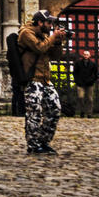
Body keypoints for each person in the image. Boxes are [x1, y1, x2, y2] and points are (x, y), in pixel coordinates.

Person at [12, 11, 68, 154]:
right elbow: (39, 48)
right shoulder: (26, 33)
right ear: (40, 22)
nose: (51, 25)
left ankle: (43, 142)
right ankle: (33, 145)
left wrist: (58, 42)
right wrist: (52, 37)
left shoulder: (44, 36)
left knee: (55, 109)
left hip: (45, 79)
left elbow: (56, 56)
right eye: (49, 22)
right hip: (32, 80)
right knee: (34, 113)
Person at [73, 50, 99, 118]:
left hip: (89, 84)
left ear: (89, 55)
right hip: (80, 83)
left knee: (90, 99)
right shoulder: (78, 63)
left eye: (87, 54)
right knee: (80, 97)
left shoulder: (93, 64)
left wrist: (92, 80)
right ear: (83, 55)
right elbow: (75, 73)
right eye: (84, 54)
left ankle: (89, 113)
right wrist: (77, 81)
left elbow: (96, 74)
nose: (86, 56)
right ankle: (82, 111)